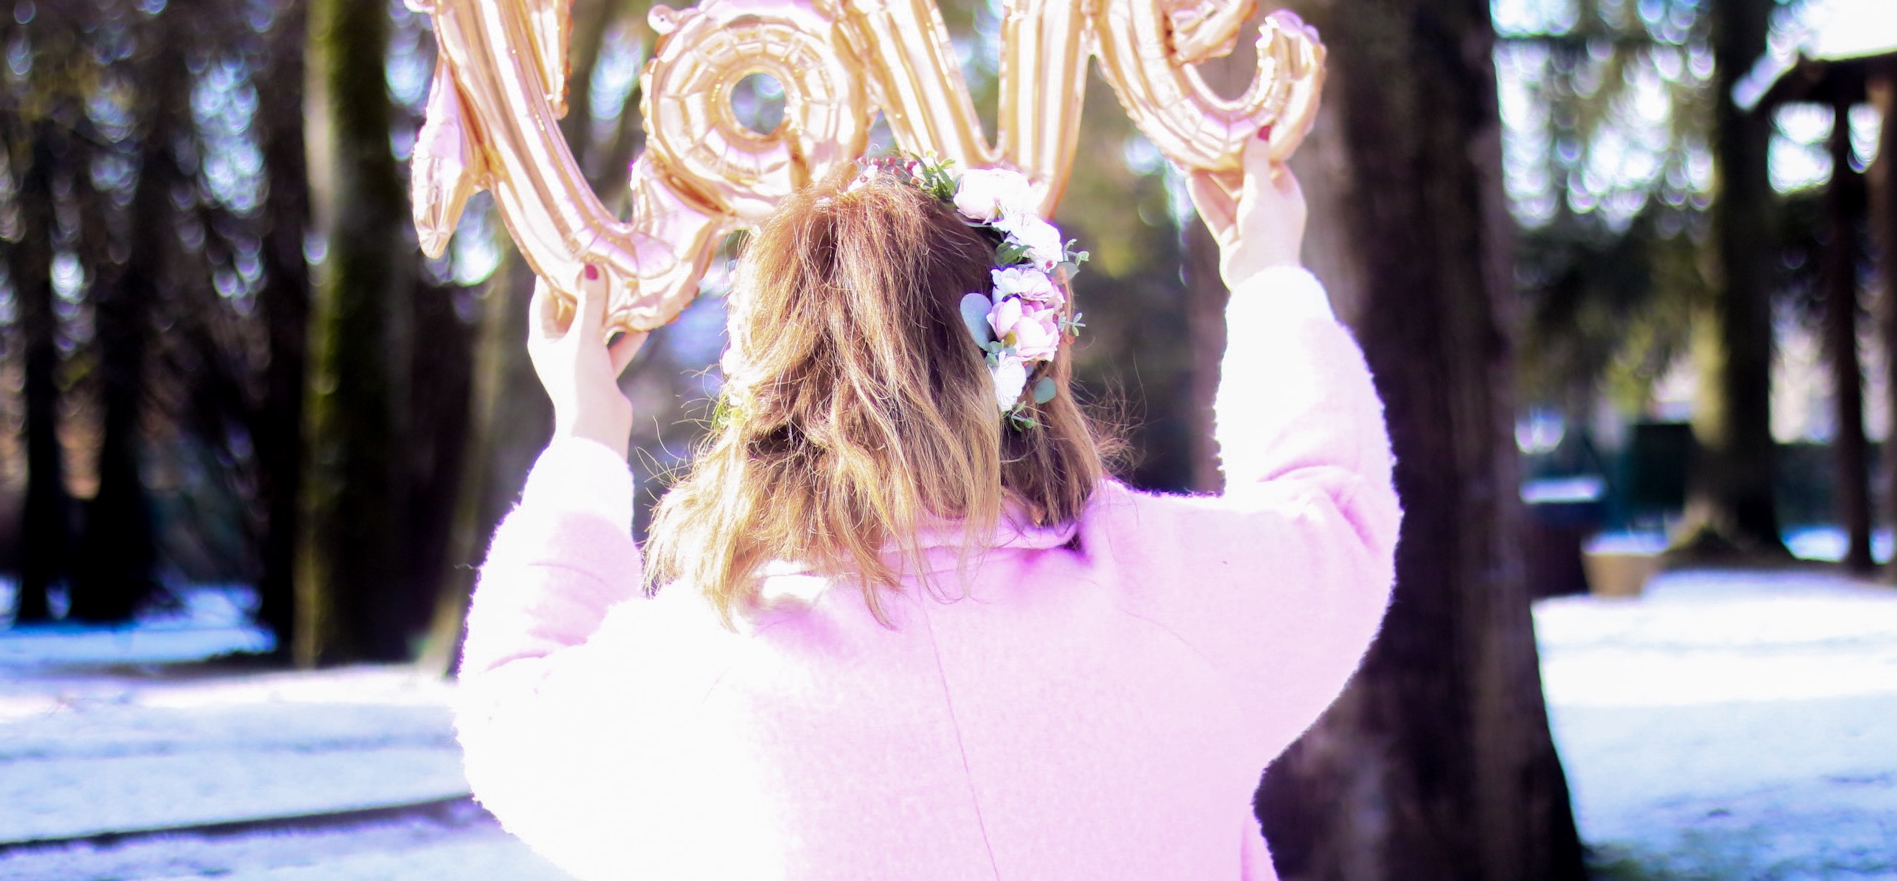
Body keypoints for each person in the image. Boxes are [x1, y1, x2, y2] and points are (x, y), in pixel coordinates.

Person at [456, 133, 1399, 879]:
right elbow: (1336, 509)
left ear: (767, 398)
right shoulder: (1170, 596)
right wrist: (1270, 274)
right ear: (1028, 356)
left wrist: (585, 431)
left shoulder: (694, 673)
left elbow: (507, 708)